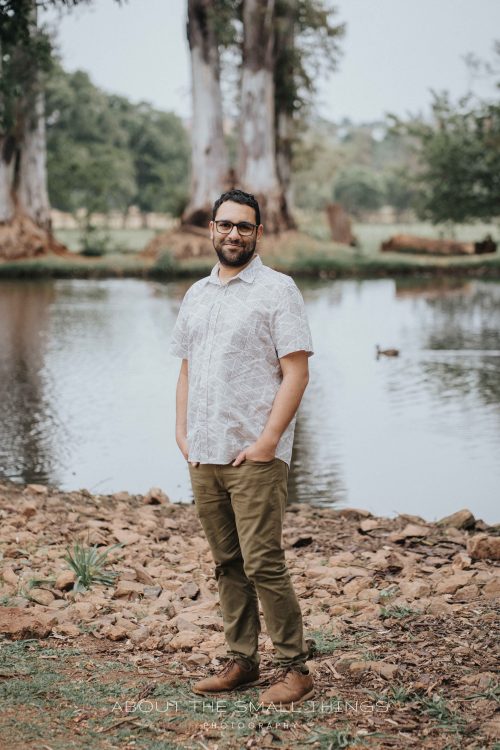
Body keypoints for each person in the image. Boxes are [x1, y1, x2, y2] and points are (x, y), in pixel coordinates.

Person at [169, 188, 315, 707]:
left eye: (244, 226)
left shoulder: (278, 290)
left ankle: (295, 669)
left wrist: (267, 442)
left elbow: (296, 372)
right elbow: (187, 369)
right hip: (204, 452)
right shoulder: (197, 294)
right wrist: (182, 432)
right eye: (225, 224)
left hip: (253, 453)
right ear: (211, 228)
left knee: (263, 563)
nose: (234, 234)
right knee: (227, 563)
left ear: (258, 233)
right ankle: (242, 662)